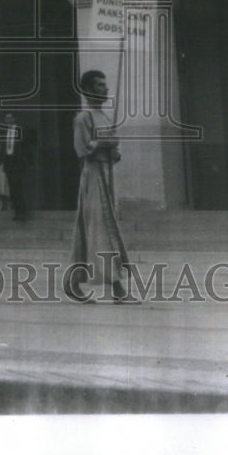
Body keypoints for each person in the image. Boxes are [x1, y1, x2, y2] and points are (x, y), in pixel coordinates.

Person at [65, 70, 136, 304]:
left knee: (96, 228)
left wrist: (113, 147)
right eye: (99, 85)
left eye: (105, 85)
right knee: (101, 229)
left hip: (107, 174)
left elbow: (115, 154)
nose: (105, 89)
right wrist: (103, 142)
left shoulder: (105, 117)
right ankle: (117, 289)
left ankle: (73, 282)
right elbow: (80, 150)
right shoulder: (83, 117)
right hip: (92, 173)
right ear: (87, 89)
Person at [1, 111, 30, 221]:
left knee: (17, 186)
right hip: (8, 162)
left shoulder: (20, 131)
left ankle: (22, 211)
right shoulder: (4, 132)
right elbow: (3, 147)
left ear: (14, 119)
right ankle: (17, 212)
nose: (8, 120)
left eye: (10, 118)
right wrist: (0, 160)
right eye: (6, 118)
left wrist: (26, 161)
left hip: (17, 163)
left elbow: (26, 147)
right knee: (12, 188)